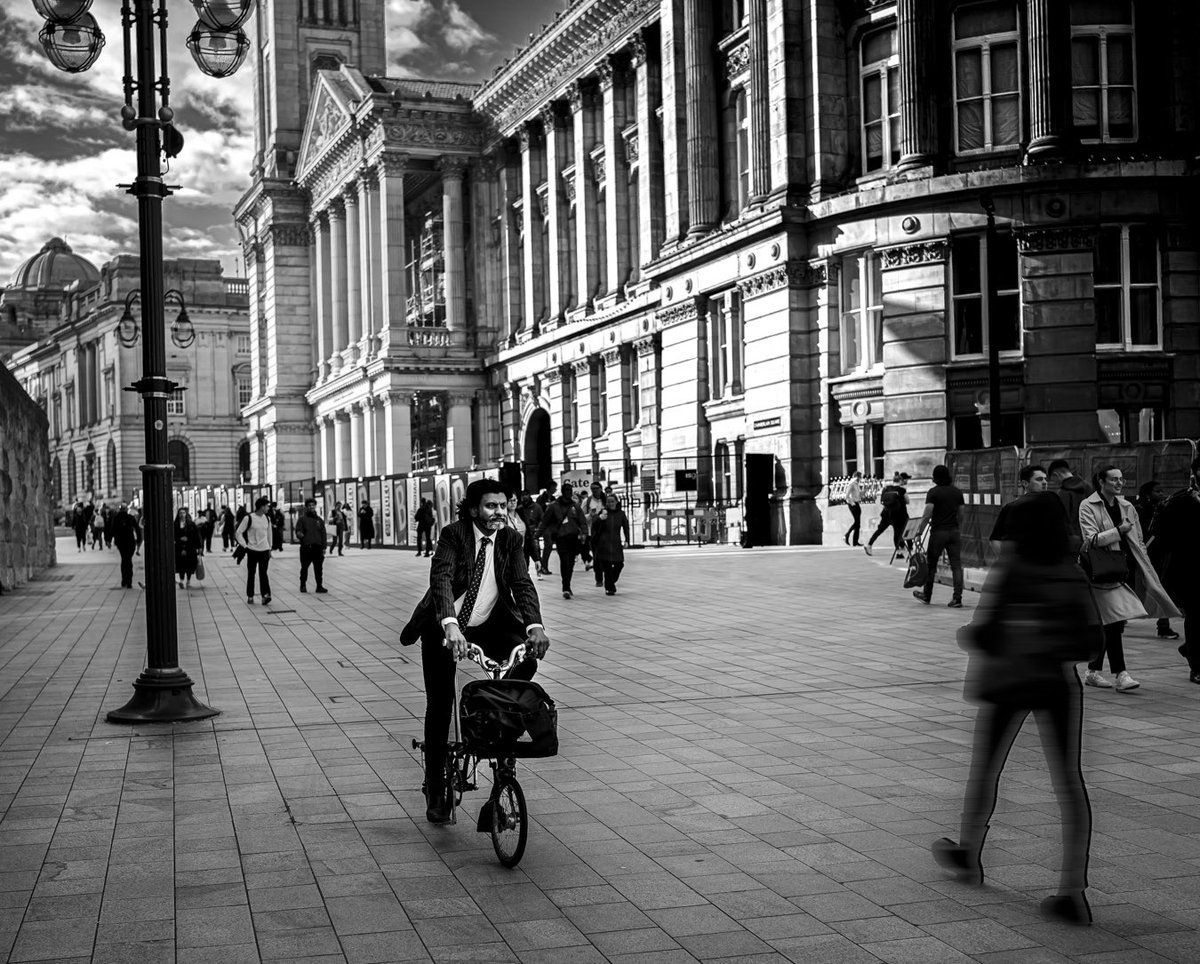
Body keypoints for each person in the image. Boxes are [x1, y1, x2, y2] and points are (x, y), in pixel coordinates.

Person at [933, 493, 1099, 926]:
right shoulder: (1072, 571)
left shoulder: (1012, 572)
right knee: (1069, 783)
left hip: (1009, 681)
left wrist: (974, 634)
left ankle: (969, 853)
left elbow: (986, 633)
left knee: (986, 770)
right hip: (1058, 684)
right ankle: (1072, 892)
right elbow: (1091, 643)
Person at [398, 478, 551, 824]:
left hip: (490, 624)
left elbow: (521, 583)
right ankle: (436, 786)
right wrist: (449, 624)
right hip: (444, 625)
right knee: (439, 705)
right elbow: (442, 579)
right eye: (491, 506)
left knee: (524, 662)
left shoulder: (511, 538)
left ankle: (496, 726)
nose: (499, 512)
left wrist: (535, 627)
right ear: (472, 509)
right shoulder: (455, 534)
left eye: (503, 505)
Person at [1079, 465, 1180, 692]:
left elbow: (1139, 539)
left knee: (1112, 623)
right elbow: (1091, 539)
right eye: (1113, 479)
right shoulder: (1088, 505)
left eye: (1121, 479)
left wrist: (1146, 565)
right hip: (1100, 571)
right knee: (1114, 623)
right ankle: (1121, 674)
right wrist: (1119, 530)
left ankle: (1094, 671)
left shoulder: (1127, 507)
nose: (1119, 483)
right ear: (1101, 482)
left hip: (1124, 569)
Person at [1145, 456, 1200, 684]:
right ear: (1196, 473)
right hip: (1191, 571)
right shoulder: (1181, 502)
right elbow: (1163, 539)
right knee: (1197, 617)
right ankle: (1197, 666)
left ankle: (1191, 647)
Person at [913, 465, 965, 607]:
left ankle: (927, 595)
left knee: (931, 565)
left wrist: (919, 532)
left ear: (935, 477)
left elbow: (927, 514)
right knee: (956, 565)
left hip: (938, 532)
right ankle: (957, 598)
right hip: (954, 531)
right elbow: (961, 514)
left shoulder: (933, 492)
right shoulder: (957, 492)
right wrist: (956, 526)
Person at [1133, 480, 1178, 641]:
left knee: (1159, 588)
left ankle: (1163, 625)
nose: (1161, 494)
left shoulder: (1162, 509)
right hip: (1142, 555)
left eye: (1162, 491)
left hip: (1158, 555)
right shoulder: (1139, 510)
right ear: (1147, 494)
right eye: (1157, 491)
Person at [538, 484, 588, 599]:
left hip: (573, 538)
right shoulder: (553, 506)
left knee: (570, 563)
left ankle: (567, 583)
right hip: (561, 538)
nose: (568, 492)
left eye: (570, 490)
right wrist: (537, 535)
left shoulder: (575, 506)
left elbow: (582, 521)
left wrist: (584, 533)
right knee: (565, 561)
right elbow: (544, 522)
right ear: (562, 491)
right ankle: (565, 587)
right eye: (566, 490)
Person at [989, 465, 1050, 553]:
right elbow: (995, 539)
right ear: (1025, 483)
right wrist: (1006, 562)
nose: (1044, 482)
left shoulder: (1052, 506)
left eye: (1045, 479)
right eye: (1039, 479)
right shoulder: (1011, 508)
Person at [237, 496, 274, 606]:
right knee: (251, 573)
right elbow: (238, 533)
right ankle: (250, 595)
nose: (268, 508)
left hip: (264, 550)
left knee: (263, 573)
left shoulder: (267, 518)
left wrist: (270, 548)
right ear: (262, 507)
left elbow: (269, 534)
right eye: (267, 506)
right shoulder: (248, 518)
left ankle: (265, 595)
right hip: (252, 550)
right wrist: (244, 546)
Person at [591, 494, 631, 595]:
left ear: (616, 502)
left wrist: (627, 540)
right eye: (608, 502)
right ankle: (610, 588)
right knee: (607, 566)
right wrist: (600, 518)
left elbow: (626, 527)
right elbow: (594, 525)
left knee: (619, 564)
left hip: (616, 543)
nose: (610, 503)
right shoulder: (603, 512)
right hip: (604, 543)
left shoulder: (621, 514)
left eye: (612, 501)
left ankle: (610, 581)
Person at [1049, 459, 1092, 553]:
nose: (1056, 484)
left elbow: (1061, 520)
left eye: (1055, 481)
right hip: (1091, 539)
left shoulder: (1063, 493)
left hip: (1072, 542)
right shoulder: (1089, 487)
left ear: (1056, 475)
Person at [865, 472, 910, 558]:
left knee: (879, 530)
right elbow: (907, 501)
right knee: (899, 532)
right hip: (898, 515)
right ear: (900, 480)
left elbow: (882, 501)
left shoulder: (886, 489)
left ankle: (869, 545)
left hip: (886, 513)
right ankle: (900, 552)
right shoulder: (901, 490)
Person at [294, 497, 328, 594]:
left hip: (318, 547)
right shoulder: (302, 519)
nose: (311, 507)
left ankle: (319, 586)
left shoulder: (319, 520)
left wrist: (324, 547)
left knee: (318, 568)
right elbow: (298, 530)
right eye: (309, 506)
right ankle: (303, 585)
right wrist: (300, 534)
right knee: (304, 567)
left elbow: (323, 533)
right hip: (306, 547)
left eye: (313, 505)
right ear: (306, 507)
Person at [111, 503, 141, 589]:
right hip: (130, 542)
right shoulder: (130, 518)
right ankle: (129, 580)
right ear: (126, 509)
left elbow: (112, 530)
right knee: (128, 560)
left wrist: (110, 540)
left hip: (121, 542)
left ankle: (124, 579)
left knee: (124, 560)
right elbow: (137, 529)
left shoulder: (116, 518)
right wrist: (139, 539)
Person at [173, 508, 202, 590]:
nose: (182, 514)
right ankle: (182, 580)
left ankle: (188, 580)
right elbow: (173, 535)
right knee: (181, 564)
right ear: (178, 514)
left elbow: (196, 536)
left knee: (189, 564)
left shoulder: (191, 524)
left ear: (186, 514)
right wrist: (179, 539)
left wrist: (199, 547)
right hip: (179, 547)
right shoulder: (175, 524)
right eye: (180, 513)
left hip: (190, 547)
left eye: (183, 513)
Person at [844, 471, 863, 546]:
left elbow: (857, 495)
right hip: (853, 504)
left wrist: (863, 492)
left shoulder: (856, 484)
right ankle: (846, 535)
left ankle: (855, 542)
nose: (860, 479)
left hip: (857, 503)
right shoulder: (852, 483)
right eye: (860, 477)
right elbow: (847, 496)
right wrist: (853, 504)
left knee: (858, 524)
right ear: (857, 477)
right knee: (857, 522)